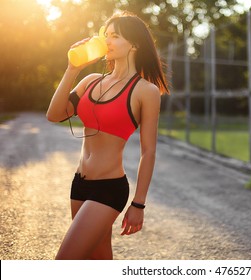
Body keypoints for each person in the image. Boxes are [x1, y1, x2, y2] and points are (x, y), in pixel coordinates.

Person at [46, 11, 169, 260]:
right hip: (79, 184)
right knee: (98, 261)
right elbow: (54, 114)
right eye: (106, 36)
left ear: (133, 44)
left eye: (114, 36)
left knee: (65, 261)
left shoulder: (146, 91)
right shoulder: (90, 81)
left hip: (108, 189)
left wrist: (138, 204)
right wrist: (72, 69)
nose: (107, 42)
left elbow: (149, 151)